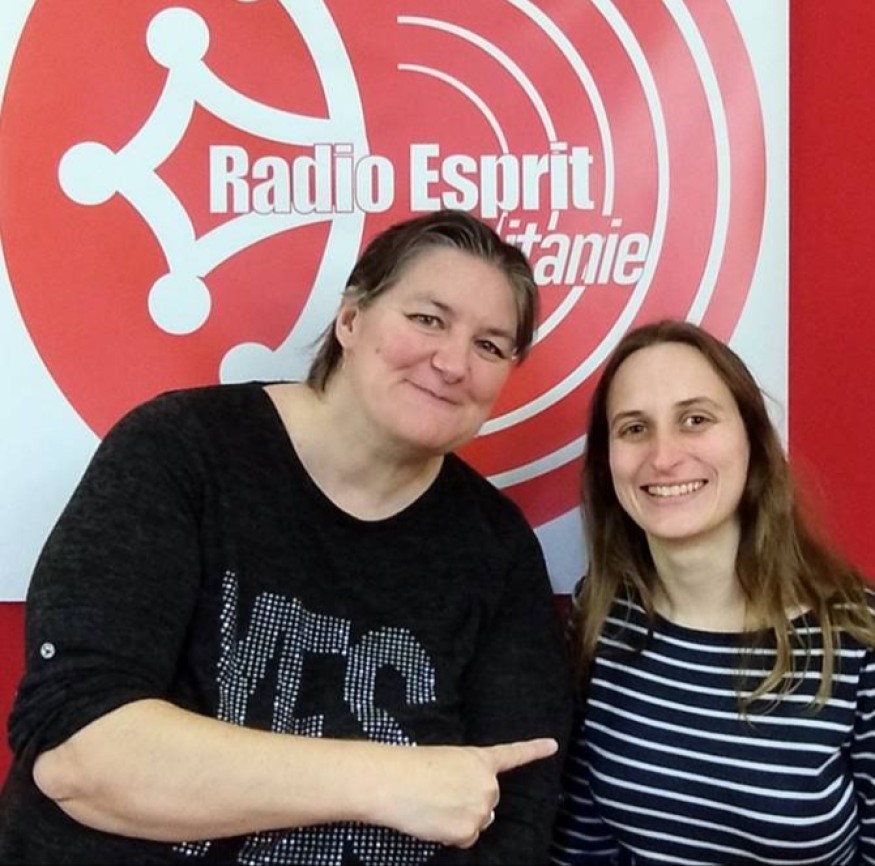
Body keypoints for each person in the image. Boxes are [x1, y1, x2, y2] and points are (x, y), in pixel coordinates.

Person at [0, 208, 572, 865]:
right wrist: (391, 780)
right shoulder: (180, 451)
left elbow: (515, 815)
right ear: (350, 320)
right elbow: (79, 754)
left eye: (490, 346)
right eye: (427, 319)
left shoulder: (498, 548)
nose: (451, 363)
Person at [549, 319, 875, 865]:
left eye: (695, 420)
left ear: (753, 440)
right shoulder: (602, 615)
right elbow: (582, 843)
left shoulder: (857, 639)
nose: (663, 456)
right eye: (634, 428)